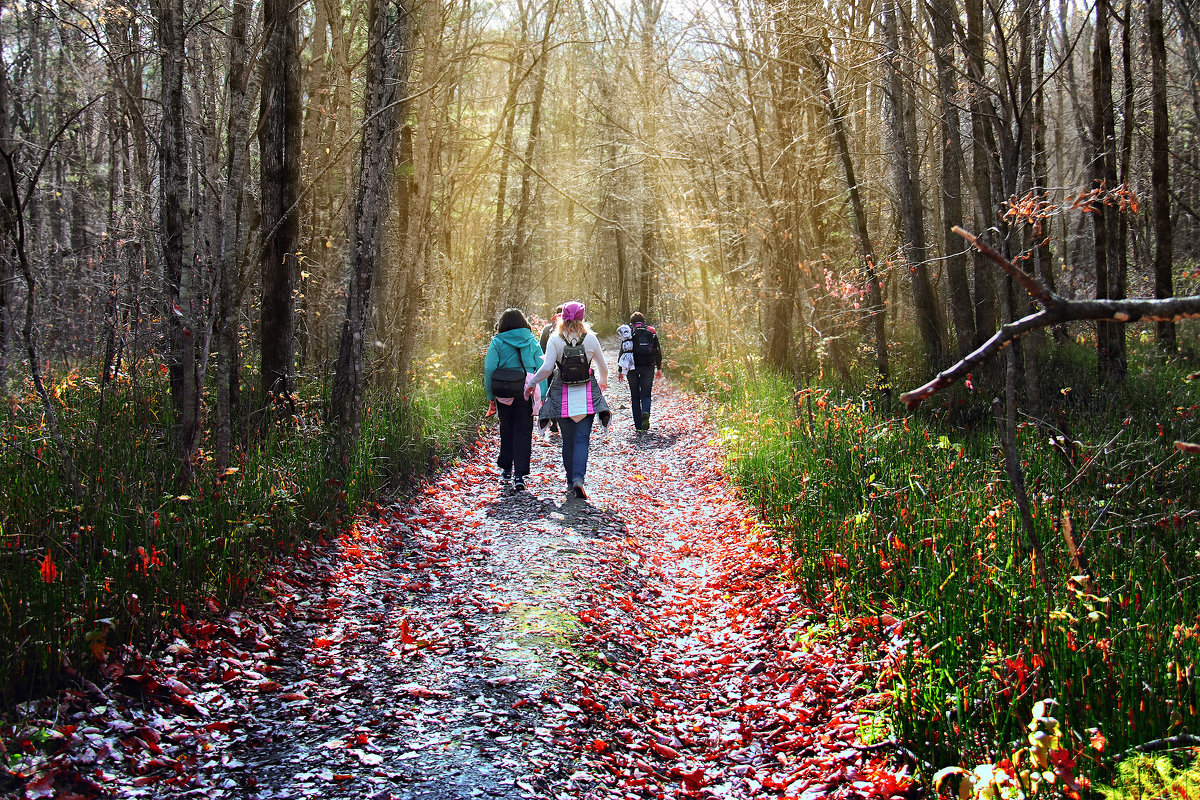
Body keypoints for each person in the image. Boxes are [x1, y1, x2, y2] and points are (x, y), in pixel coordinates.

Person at [524, 301, 610, 500]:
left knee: (567, 441)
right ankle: (579, 478)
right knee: (582, 440)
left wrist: (532, 383)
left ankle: (570, 480)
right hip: (586, 397)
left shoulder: (555, 338)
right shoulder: (590, 339)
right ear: (582, 316)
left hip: (562, 397)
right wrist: (603, 382)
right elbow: (603, 367)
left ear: (562, 316)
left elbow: (546, 369)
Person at [484, 308, 548, 491]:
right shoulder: (531, 341)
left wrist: (491, 397)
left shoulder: (497, 342)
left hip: (503, 391)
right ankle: (519, 475)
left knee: (506, 429)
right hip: (525, 390)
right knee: (523, 431)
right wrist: (541, 395)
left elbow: (489, 369)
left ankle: (505, 470)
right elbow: (542, 367)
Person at [626, 312, 662, 431]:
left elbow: (623, 351)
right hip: (648, 366)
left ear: (632, 322)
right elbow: (657, 351)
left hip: (632, 368)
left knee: (635, 396)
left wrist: (621, 369)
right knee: (646, 394)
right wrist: (659, 368)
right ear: (643, 321)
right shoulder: (651, 332)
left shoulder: (629, 332)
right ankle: (645, 411)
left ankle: (638, 426)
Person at [538, 305, 563, 440]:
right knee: (562, 392)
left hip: (549, 366)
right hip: (563, 368)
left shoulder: (547, 329)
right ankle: (562, 419)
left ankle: (554, 421)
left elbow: (541, 348)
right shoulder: (572, 330)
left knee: (551, 393)